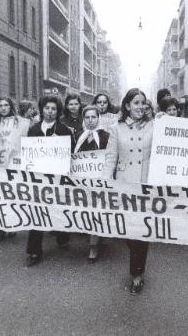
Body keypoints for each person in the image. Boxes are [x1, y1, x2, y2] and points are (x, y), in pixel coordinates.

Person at [103, 88, 154, 294]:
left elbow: (179, 136)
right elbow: (110, 157)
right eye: (136, 103)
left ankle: (137, 274)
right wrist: (106, 182)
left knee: (141, 231)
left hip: (147, 185)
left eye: (143, 103)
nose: (140, 107)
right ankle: (137, 263)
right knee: (128, 230)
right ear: (127, 106)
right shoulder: (117, 128)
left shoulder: (155, 126)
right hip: (124, 184)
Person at [25, 96, 75, 267]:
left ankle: (62, 238)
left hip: (58, 176)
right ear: (42, 109)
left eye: (54, 109)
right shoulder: (33, 130)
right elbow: (28, 154)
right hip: (38, 177)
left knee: (59, 207)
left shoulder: (64, 130)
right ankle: (34, 251)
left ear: (58, 111)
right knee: (37, 211)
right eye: (47, 108)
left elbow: (71, 154)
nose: (50, 112)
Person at [0, 97, 28, 242]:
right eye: (1, 105)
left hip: (13, 162)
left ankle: (11, 225)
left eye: (6, 105)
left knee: (11, 194)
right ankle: (1, 226)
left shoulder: (19, 122)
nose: (3, 108)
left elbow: (25, 140)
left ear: (11, 106)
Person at [74, 105, 110, 262]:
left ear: (98, 118)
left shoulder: (106, 136)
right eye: (87, 117)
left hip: (99, 180)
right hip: (82, 180)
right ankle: (95, 237)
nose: (90, 121)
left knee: (96, 210)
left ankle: (93, 246)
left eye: (93, 117)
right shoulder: (78, 135)